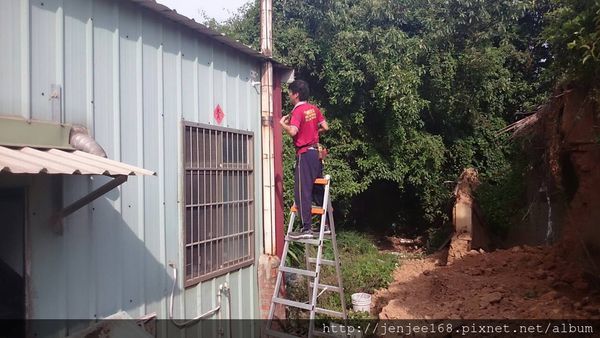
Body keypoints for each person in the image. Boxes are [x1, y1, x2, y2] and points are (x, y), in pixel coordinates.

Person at [280, 80, 329, 239]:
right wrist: (313, 132)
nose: (289, 95)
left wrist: (282, 124)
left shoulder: (298, 111)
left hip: (305, 153)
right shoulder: (314, 109)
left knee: (302, 190)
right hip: (316, 152)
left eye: (290, 92)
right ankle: (326, 225)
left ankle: (306, 228)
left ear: (296, 94)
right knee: (317, 189)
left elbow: (293, 132)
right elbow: (325, 127)